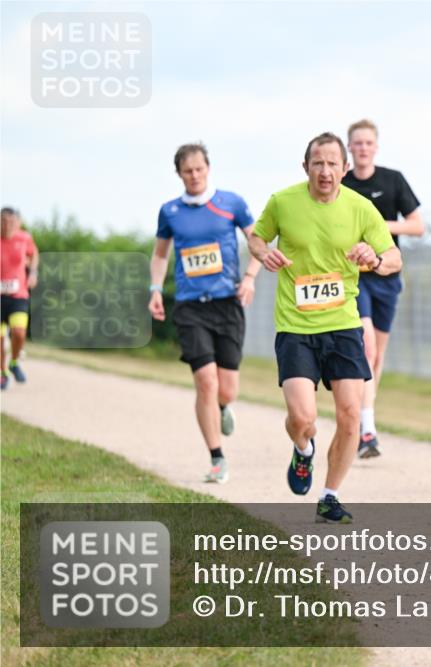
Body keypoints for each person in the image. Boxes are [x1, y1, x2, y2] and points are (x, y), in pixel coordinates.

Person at [249, 132, 400, 524]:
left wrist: (376, 258)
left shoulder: (361, 208)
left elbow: (393, 256)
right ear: (306, 168)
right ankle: (303, 450)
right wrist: (264, 252)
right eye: (318, 163)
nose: (326, 171)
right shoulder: (283, 202)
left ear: (345, 169)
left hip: (343, 325)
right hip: (296, 326)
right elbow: (255, 236)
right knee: (303, 419)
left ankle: (330, 495)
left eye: (334, 163)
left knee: (350, 414)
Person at [149, 143, 261, 484]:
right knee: (205, 382)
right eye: (188, 171)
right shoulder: (169, 212)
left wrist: (250, 277)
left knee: (226, 389)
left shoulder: (232, 203)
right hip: (190, 307)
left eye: (199, 169)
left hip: (227, 304)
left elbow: (258, 242)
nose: (195, 176)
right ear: (179, 174)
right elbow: (160, 256)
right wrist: (155, 289)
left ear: (208, 168)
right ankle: (217, 458)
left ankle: (223, 407)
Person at [342, 119, 424, 458]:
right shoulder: (341, 183)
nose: (362, 148)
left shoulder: (392, 180)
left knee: (377, 360)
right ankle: (367, 430)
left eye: (367, 143)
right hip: (352, 278)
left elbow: (417, 226)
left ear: (376, 147)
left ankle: (362, 419)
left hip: (387, 276)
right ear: (349, 148)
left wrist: (377, 226)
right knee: (368, 349)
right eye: (356, 143)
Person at [1, 207, 39, 391]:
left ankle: (14, 362)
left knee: (19, 333)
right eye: (3, 221)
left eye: (11, 221)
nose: (7, 225)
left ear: (18, 223)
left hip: (18, 295)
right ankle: (3, 374)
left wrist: (32, 272)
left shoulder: (24, 238)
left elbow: (33, 254)